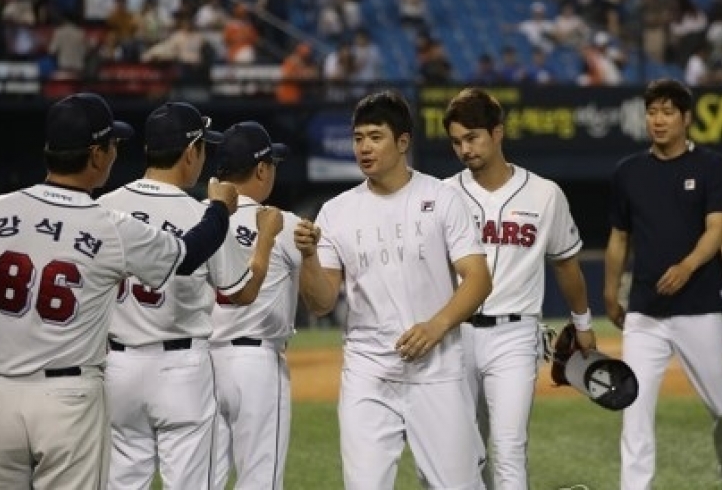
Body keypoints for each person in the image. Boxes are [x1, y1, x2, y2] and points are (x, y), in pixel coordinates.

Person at [0, 92, 239, 490]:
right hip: (69, 398)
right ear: (96, 154)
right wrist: (218, 209)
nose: (115, 154)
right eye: (113, 145)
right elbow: (186, 255)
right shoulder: (107, 224)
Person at [294, 89, 493, 490]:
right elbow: (321, 302)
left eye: (375, 136)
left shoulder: (441, 198)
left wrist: (436, 326)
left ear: (402, 142)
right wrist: (309, 258)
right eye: (358, 138)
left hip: (437, 369)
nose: (363, 147)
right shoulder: (336, 212)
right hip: (369, 374)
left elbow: (478, 279)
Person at [97, 102, 283, 490]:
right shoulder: (203, 214)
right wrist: (264, 240)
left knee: (121, 482)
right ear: (190, 152)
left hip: (117, 367)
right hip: (180, 369)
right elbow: (241, 292)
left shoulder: (104, 208)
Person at [441, 87, 597, 489]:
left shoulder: (545, 194)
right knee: (460, 455)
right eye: (457, 141)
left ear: (497, 133)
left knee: (509, 449)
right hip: (454, 335)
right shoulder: (442, 196)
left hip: (515, 334)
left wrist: (582, 323)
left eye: (472, 137)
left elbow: (566, 264)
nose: (464, 149)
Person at [603, 78, 722, 490]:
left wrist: (688, 266)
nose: (658, 120)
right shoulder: (628, 172)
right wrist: (610, 291)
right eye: (652, 111)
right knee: (633, 411)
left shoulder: (710, 166)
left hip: (702, 306)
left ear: (687, 118)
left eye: (668, 112)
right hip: (645, 312)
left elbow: (717, 229)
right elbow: (619, 237)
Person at [209, 121, 299, 490]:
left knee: (202, 481)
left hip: (200, 364)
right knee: (259, 481)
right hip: (256, 365)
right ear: (262, 169)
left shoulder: (194, 219)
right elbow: (322, 296)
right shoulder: (285, 224)